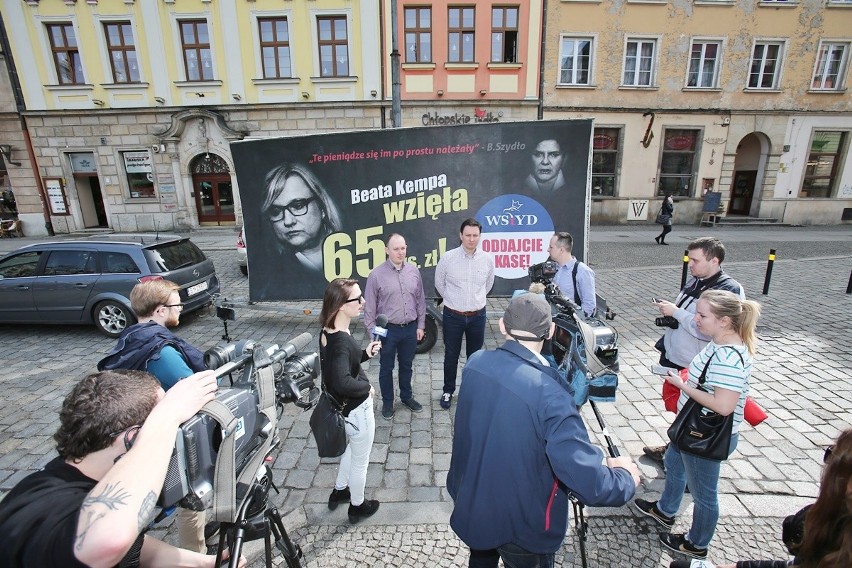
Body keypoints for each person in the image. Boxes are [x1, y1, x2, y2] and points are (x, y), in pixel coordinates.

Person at [447, 293, 640, 567]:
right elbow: (588, 482)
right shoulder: (552, 396)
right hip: (522, 525)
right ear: (550, 332)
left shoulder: (476, 363)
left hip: (475, 501)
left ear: (503, 326)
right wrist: (624, 478)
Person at [0, 369, 241, 568]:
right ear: (132, 439)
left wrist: (205, 563)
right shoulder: (43, 506)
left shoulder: (90, 480)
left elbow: (132, 545)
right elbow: (108, 542)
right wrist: (168, 415)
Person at [635, 290, 762, 561]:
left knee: (704, 495)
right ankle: (665, 510)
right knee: (673, 461)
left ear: (725, 321)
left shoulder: (728, 357)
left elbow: (724, 405)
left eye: (703, 315)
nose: (696, 320)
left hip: (704, 435)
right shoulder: (718, 343)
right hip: (689, 430)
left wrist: (683, 386)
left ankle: (696, 543)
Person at [97, 279, 208, 552]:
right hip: (165, 437)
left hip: (135, 431)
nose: (180, 309)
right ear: (160, 310)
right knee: (192, 498)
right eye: (176, 304)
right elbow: (195, 392)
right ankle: (196, 554)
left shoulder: (132, 337)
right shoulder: (163, 353)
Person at [667, 429, 852, 568]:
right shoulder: (837, 531)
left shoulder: (830, 522)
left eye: (831, 454)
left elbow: (793, 535)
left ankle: (696, 544)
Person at [644, 237, 744, 464]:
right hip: (681, 357)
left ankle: (684, 452)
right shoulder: (696, 280)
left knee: (694, 414)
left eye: (696, 260)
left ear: (714, 260)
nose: (691, 265)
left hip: (697, 364)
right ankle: (675, 448)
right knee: (682, 409)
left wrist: (677, 313)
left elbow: (707, 329)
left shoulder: (728, 290)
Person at [319, 278, 383, 523]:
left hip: (342, 410)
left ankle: (339, 490)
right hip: (357, 411)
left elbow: (339, 366)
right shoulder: (342, 342)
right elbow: (342, 381)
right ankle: (357, 506)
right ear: (340, 305)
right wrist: (367, 387)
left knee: (352, 449)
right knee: (360, 460)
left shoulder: (329, 330)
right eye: (357, 299)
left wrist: (365, 354)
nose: (363, 302)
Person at [255, 163, 342, 299]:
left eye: (298, 205)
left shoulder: (353, 251)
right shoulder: (272, 285)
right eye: (276, 211)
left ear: (322, 208)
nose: (288, 221)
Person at [363, 233, 426, 420]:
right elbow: (370, 310)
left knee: (407, 365)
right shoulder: (376, 275)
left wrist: (421, 325)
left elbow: (420, 301)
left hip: (409, 328)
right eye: (396, 249)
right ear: (386, 250)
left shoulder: (414, 271)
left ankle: (407, 397)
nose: (401, 252)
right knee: (386, 367)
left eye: (403, 248)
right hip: (387, 331)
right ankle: (388, 402)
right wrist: (374, 337)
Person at [434, 218, 495, 410]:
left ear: (479, 236)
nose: (471, 239)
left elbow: (488, 284)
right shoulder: (448, 258)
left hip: (478, 316)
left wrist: (474, 301)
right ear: (460, 235)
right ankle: (448, 390)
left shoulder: (487, 259)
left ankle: (471, 392)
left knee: (475, 356)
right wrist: (454, 300)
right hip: (453, 316)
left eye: (475, 235)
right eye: (467, 235)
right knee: (451, 355)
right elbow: (439, 284)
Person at [548, 231, 597, 317]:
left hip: (571, 322)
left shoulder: (583, 271)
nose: (548, 250)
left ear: (561, 250)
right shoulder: (553, 268)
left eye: (551, 247)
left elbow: (589, 306)